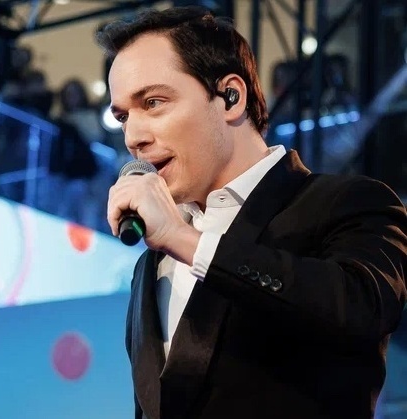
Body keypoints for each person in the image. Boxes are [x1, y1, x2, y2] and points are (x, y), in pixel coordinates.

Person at [96, 6, 407, 419]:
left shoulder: (348, 203)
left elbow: (359, 311)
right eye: (122, 117)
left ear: (231, 97)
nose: (133, 137)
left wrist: (183, 240)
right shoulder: (151, 264)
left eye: (153, 102)